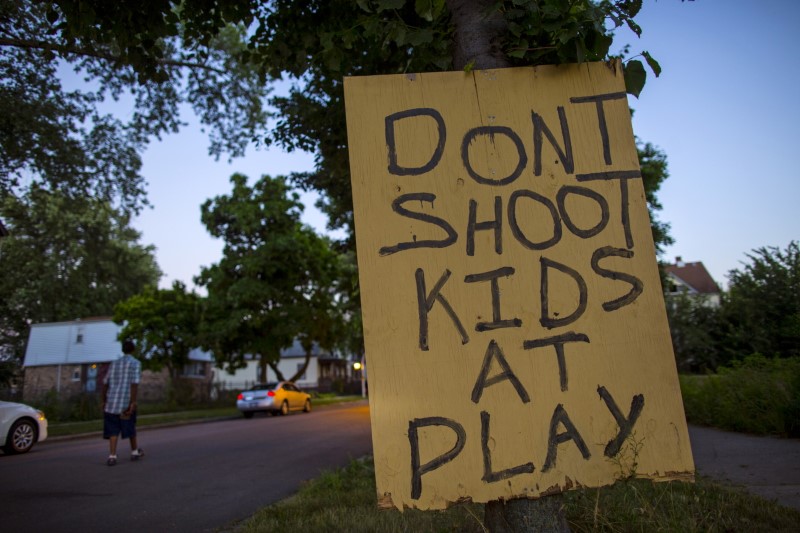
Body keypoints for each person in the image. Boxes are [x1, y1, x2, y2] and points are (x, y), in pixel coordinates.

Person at [102, 339, 144, 466]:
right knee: (130, 427)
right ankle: (134, 451)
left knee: (113, 430)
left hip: (111, 403)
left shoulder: (114, 363)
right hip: (125, 403)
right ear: (133, 349)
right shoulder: (135, 363)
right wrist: (133, 402)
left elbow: (105, 383)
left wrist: (103, 400)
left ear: (122, 350)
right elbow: (134, 384)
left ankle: (112, 455)